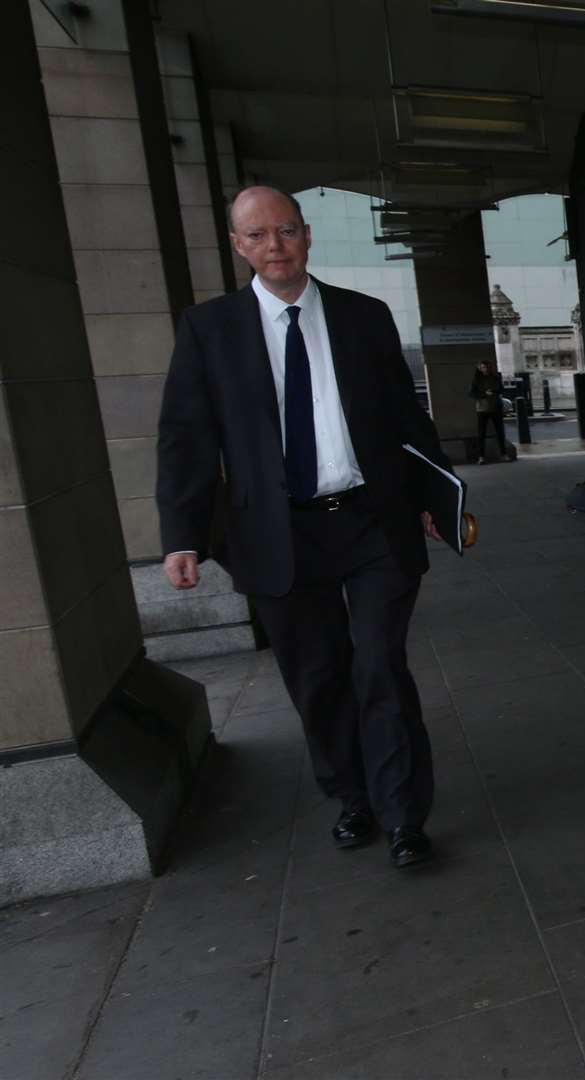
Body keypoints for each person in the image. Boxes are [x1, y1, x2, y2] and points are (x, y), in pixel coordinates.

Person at [157, 186, 449, 869]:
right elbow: (185, 437)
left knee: (380, 667)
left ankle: (405, 814)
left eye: (286, 230)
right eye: (257, 235)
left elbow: (407, 422)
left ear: (307, 235)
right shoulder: (209, 329)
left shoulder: (364, 317)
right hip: (276, 533)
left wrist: (439, 497)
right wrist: (182, 532)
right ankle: (352, 795)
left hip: (372, 523)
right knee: (317, 676)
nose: (275, 246)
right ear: (238, 246)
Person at [469, 359, 506, 463]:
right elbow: (471, 393)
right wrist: (484, 394)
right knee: (481, 433)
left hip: (496, 407)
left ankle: (503, 454)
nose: (486, 369)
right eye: (484, 367)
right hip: (482, 408)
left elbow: (501, 389)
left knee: (500, 432)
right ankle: (481, 457)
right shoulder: (476, 380)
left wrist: (494, 392)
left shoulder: (496, 377)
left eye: (488, 367)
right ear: (480, 368)